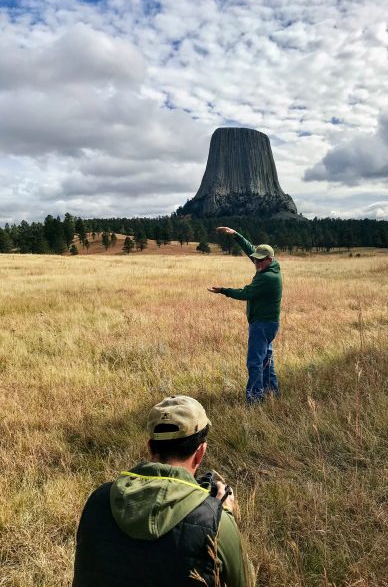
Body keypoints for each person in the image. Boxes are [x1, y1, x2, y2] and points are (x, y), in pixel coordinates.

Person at [73, 395, 254, 587]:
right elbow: (246, 581)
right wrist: (224, 514)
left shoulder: (99, 500)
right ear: (200, 452)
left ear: (150, 447)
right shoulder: (216, 524)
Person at [208, 227, 282, 403]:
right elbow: (252, 251)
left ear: (269, 260)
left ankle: (255, 399)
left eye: (260, 261)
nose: (256, 263)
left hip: (262, 325)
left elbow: (245, 293)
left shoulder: (267, 278)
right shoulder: (271, 266)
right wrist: (236, 235)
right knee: (266, 360)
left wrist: (223, 290)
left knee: (254, 362)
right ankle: (272, 391)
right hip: (269, 324)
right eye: (255, 260)